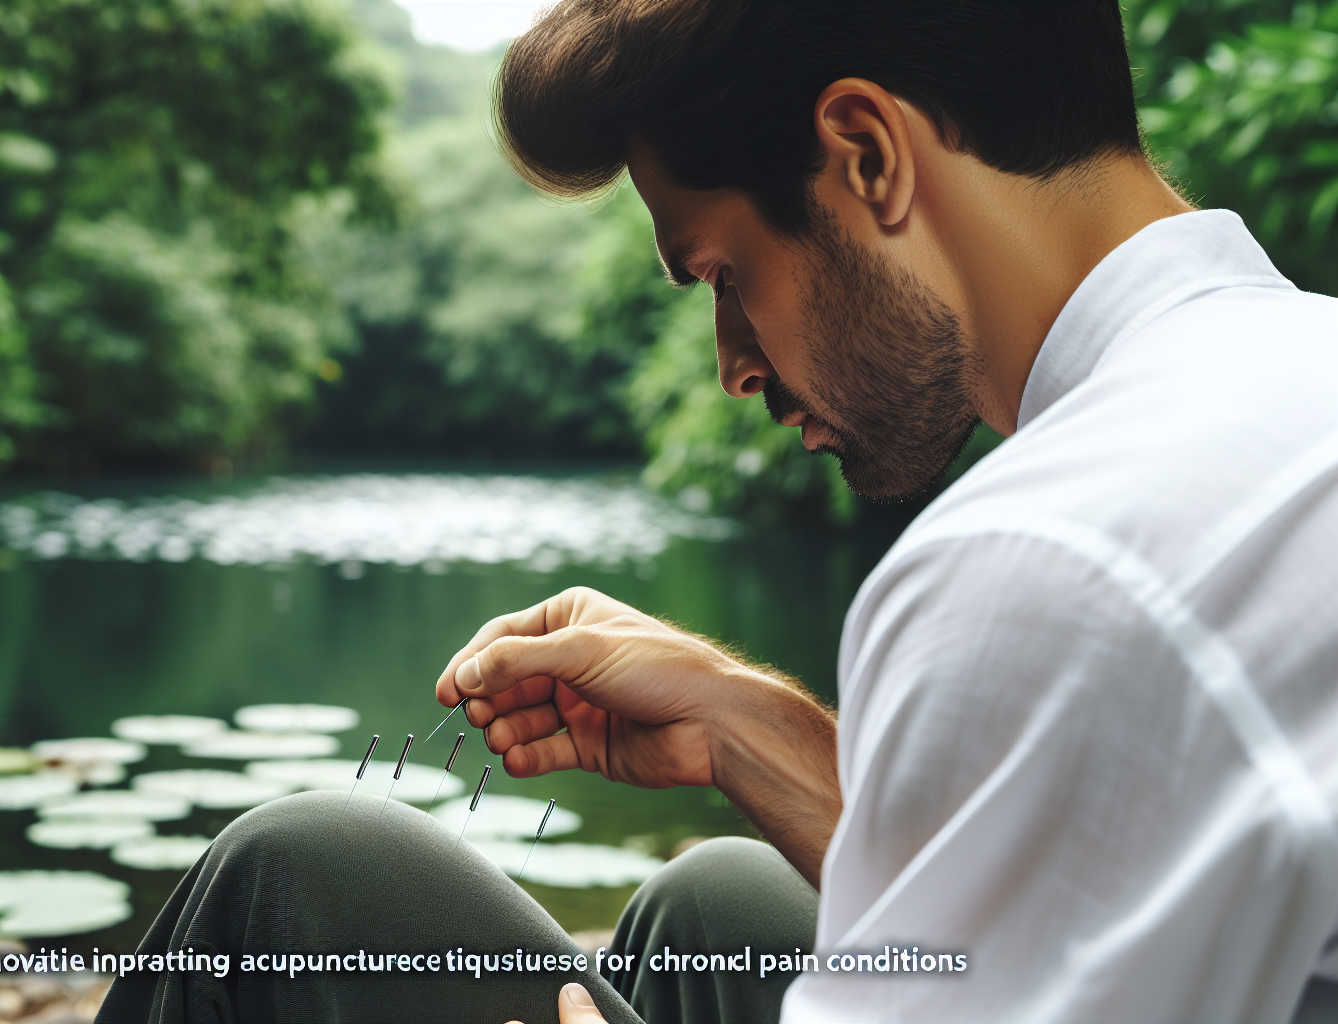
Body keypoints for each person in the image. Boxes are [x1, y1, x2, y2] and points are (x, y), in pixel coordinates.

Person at [95, 2, 1338, 1021]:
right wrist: (753, 727)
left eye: (723, 275)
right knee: (722, 904)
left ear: (865, 153)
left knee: (303, 872)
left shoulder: (1046, 545)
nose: (734, 364)